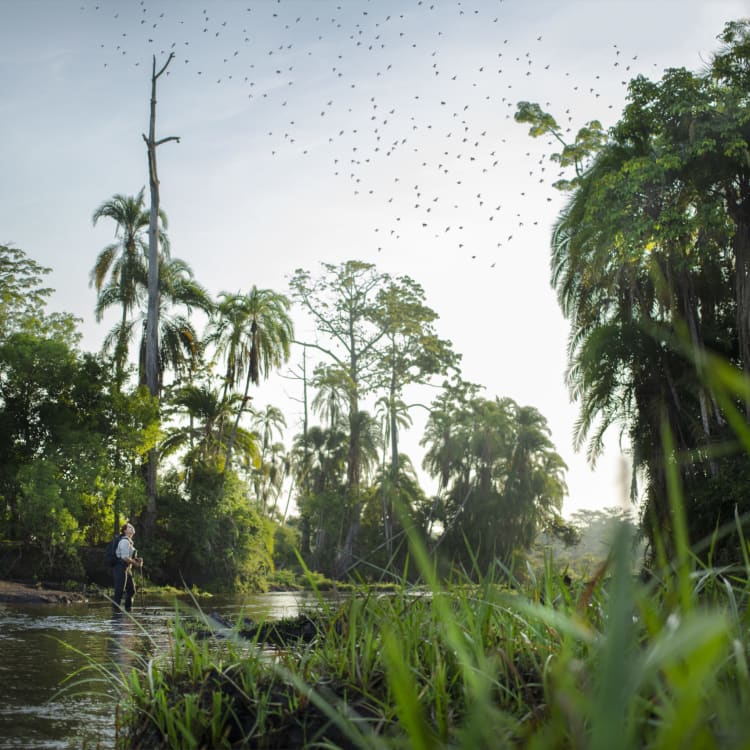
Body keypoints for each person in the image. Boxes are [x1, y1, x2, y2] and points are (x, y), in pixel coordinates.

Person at [112, 522, 143, 612]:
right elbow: (125, 557)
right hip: (120, 568)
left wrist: (137, 559)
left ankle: (128, 610)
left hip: (126, 569)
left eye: (132, 527)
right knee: (119, 591)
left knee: (131, 590)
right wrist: (136, 564)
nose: (132, 528)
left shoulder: (129, 541)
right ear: (125, 531)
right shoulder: (124, 541)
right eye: (129, 527)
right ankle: (116, 614)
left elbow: (129, 556)